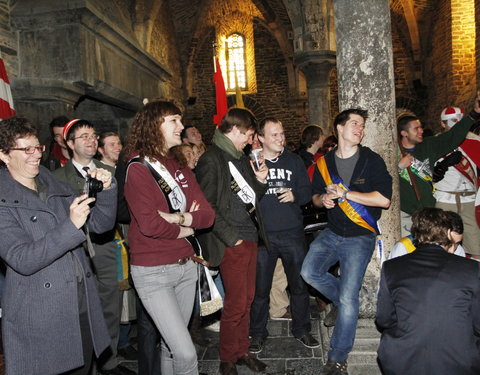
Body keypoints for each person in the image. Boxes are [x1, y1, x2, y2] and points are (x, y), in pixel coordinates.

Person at [0, 116, 116, 374]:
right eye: (25, 149)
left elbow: (100, 226)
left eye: (38, 147)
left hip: (79, 303)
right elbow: (23, 259)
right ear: (4, 155)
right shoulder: (3, 199)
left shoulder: (52, 183)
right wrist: (71, 225)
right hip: (42, 313)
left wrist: (105, 190)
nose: (35, 155)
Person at [123, 101, 215, 375]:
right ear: (154, 125)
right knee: (186, 352)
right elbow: (150, 224)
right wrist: (189, 224)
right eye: (173, 120)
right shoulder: (138, 168)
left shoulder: (179, 165)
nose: (181, 126)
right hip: (153, 271)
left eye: (180, 120)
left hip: (186, 266)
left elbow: (208, 215)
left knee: (170, 346)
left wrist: (178, 218)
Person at [301, 108, 392, 375]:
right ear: (339, 128)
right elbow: (315, 198)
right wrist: (324, 200)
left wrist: (347, 194)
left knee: (351, 298)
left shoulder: (371, 160)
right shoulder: (323, 163)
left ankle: (338, 359)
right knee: (309, 272)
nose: (360, 129)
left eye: (362, 125)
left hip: (360, 237)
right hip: (332, 232)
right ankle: (342, 301)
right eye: (354, 123)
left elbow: (383, 200)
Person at [53, 119, 132, 375]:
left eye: (93, 135)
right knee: (80, 310)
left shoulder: (110, 171)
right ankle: (83, 363)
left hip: (105, 245)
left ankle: (108, 362)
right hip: (75, 251)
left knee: (109, 305)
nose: (91, 140)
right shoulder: (57, 178)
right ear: (70, 143)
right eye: (84, 136)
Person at [195, 108, 269, 375]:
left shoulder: (238, 157)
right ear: (235, 130)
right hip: (231, 241)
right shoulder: (211, 159)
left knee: (248, 299)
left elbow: (249, 198)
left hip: (249, 237)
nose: (250, 141)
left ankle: (242, 350)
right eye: (249, 135)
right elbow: (206, 205)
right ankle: (227, 357)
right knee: (236, 302)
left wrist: (260, 182)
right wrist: (232, 238)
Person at [376, 207, 480, 375]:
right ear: (448, 233)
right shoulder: (472, 268)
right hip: (458, 362)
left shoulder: (392, 267)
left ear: (416, 235)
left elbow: (384, 320)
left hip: (403, 361)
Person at [249, 118, 319, 354]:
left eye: (282, 133)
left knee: (299, 286)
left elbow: (307, 192)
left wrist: (295, 196)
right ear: (261, 138)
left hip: (292, 233)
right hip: (263, 236)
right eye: (274, 135)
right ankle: (257, 334)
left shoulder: (294, 160)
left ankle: (302, 330)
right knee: (260, 289)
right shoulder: (250, 162)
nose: (280, 139)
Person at [397, 96, 480, 236]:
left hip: (429, 211)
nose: (421, 131)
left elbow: (453, 136)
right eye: (416, 128)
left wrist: (473, 114)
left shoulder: (429, 145)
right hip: (405, 213)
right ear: (404, 133)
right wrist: (398, 167)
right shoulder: (392, 152)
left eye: (421, 127)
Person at [432, 106, 479, 258]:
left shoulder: (475, 141)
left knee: (476, 246)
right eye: (452, 120)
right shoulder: (436, 144)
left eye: (459, 120)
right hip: (446, 198)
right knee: (442, 243)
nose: (457, 123)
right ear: (442, 123)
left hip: (470, 199)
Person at [389, 210, 466, 259]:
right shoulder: (404, 247)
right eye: (449, 243)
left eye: (456, 243)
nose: (452, 250)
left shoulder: (458, 250)